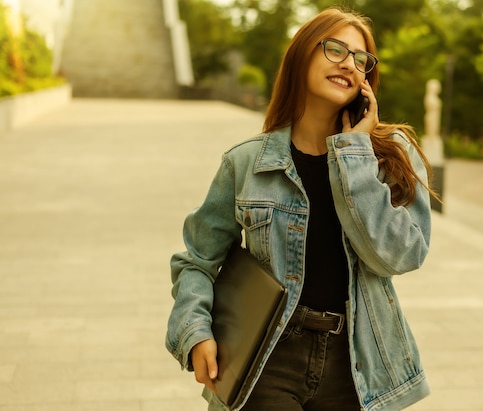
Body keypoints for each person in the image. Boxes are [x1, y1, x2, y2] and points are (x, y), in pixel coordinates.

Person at [166, 7, 438, 411]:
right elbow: (198, 260)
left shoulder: (389, 157)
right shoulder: (246, 163)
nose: (349, 63)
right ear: (301, 57)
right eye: (335, 50)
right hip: (267, 356)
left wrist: (354, 155)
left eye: (360, 59)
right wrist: (196, 330)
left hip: (357, 363)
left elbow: (402, 255)